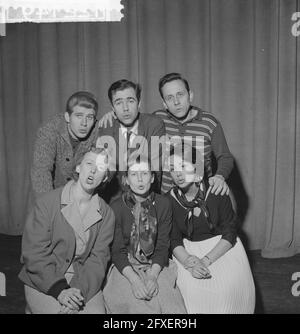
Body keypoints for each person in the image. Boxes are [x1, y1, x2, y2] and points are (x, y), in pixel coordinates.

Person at [98, 73, 234, 197]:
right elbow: (132, 117)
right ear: (164, 103)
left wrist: (220, 177)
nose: (176, 102)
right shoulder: (158, 119)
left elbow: (225, 157)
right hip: (167, 198)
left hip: (200, 195)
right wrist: (113, 116)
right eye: (169, 98)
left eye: (180, 94)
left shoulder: (209, 122)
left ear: (190, 95)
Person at [19, 146, 115, 314]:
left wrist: (77, 295)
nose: (92, 171)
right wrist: (60, 291)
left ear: (105, 176)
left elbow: (98, 261)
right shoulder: (47, 203)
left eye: (100, 168)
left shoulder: (107, 214)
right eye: (89, 163)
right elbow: (34, 253)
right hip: (44, 278)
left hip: (83, 281)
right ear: (78, 167)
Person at [167, 144, 255, 314]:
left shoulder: (216, 191)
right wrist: (189, 262)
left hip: (222, 247)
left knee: (226, 292)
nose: (178, 173)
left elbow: (230, 233)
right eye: (172, 168)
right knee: (191, 293)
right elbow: (173, 238)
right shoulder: (168, 200)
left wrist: (206, 260)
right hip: (188, 251)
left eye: (183, 166)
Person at [103, 156, 186, 314]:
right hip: (126, 265)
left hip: (155, 262)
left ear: (153, 177)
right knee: (136, 304)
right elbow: (117, 251)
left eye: (145, 173)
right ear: (126, 180)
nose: (140, 179)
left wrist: (153, 276)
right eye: (134, 174)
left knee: (170, 305)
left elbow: (162, 246)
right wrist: (134, 280)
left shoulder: (163, 204)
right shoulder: (116, 207)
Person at [95, 79, 166, 201]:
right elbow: (105, 172)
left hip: (147, 197)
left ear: (139, 103)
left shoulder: (154, 124)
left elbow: (153, 169)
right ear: (112, 108)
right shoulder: (106, 128)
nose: (125, 108)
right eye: (118, 103)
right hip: (114, 201)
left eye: (130, 101)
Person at [31, 91, 99, 197]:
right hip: (54, 194)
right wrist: (49, 208)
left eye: (89, 117)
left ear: (94, 120)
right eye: (79, 116)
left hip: (84, 197)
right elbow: (41, 172)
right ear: (67, 117)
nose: (84, 123)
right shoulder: (49, 130)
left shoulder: (98, 131)